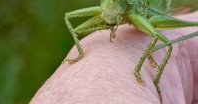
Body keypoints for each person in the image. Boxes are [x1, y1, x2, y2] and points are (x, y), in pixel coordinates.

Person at [30, 12, 198, 104]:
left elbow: (160, 39)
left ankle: (151, 79)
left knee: (168, 41)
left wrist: (144, 71)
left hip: (150, 12)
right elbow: (69, 17)